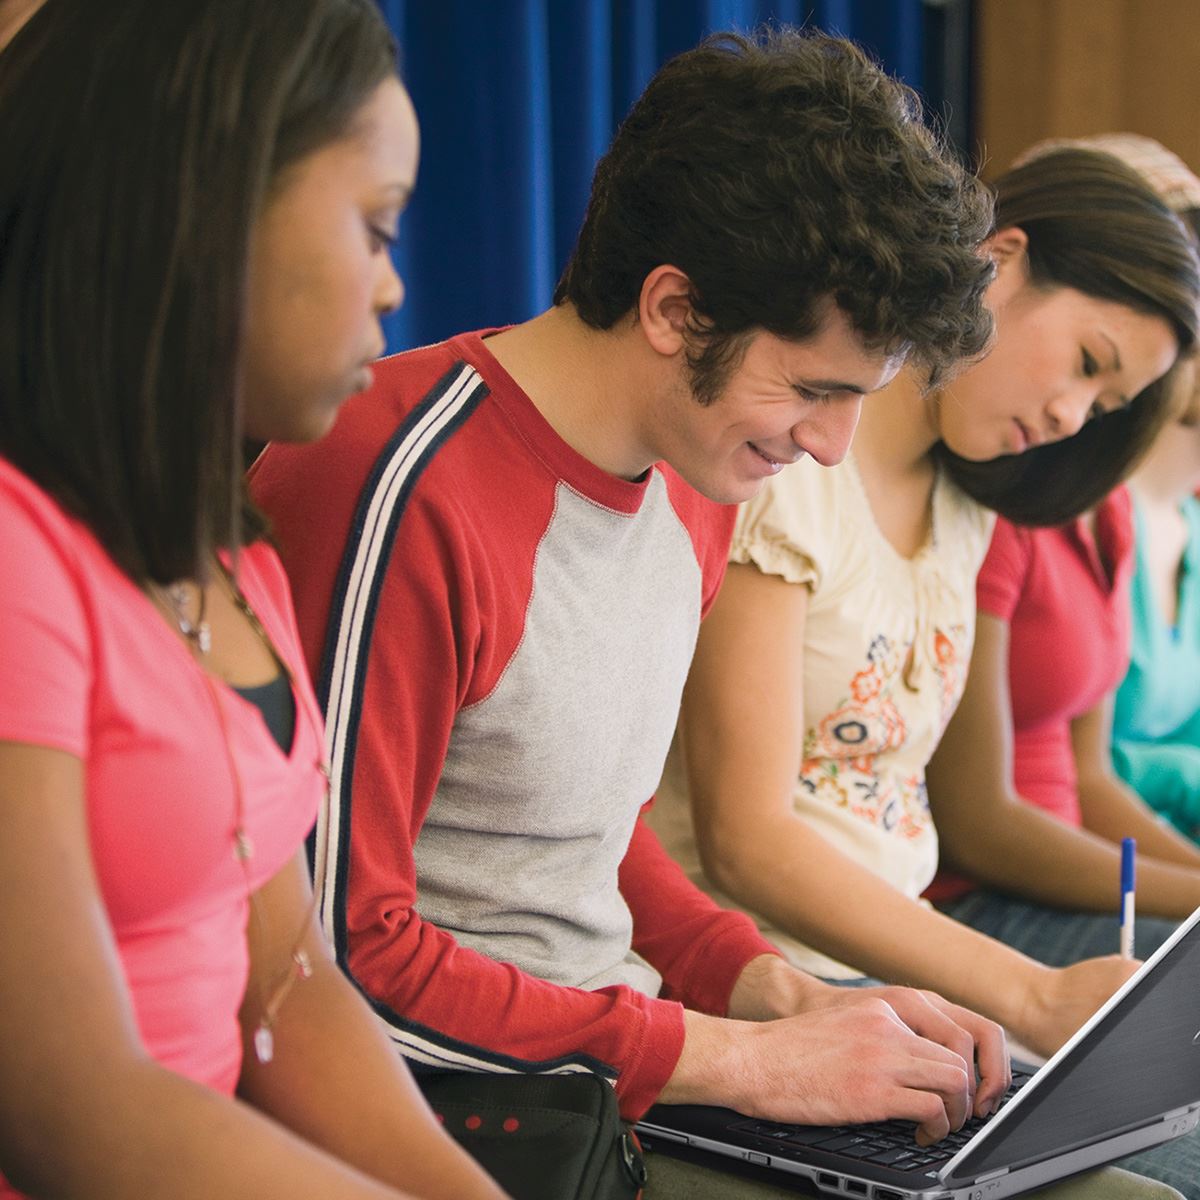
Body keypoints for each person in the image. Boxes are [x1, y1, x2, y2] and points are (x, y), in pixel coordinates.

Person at [252, 27, 1177, 1200]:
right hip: (460, 1111)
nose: (831, 446)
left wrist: (772, 990)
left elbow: (579, 837)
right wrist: (739, 1058)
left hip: (617, 1066)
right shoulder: (393, 475)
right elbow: (335, 958)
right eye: (815, 388)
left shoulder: (700, 480)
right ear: (676, 310)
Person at [0, 2, 506, 1198]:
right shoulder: (17, 557)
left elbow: (290, 979)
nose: (394, 287)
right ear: (203, 212)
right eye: (376, 227)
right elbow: (73, 1110)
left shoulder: (234, 565)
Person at [644, 137, 1200, 1197]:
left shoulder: (968, 510)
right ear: (999, 261)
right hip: (768, 989)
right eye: (1087, 364)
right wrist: (1031, 996)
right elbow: (749, 842)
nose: (1073, 419)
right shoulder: (790, 469)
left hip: (909, 984)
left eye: (1109, 405)